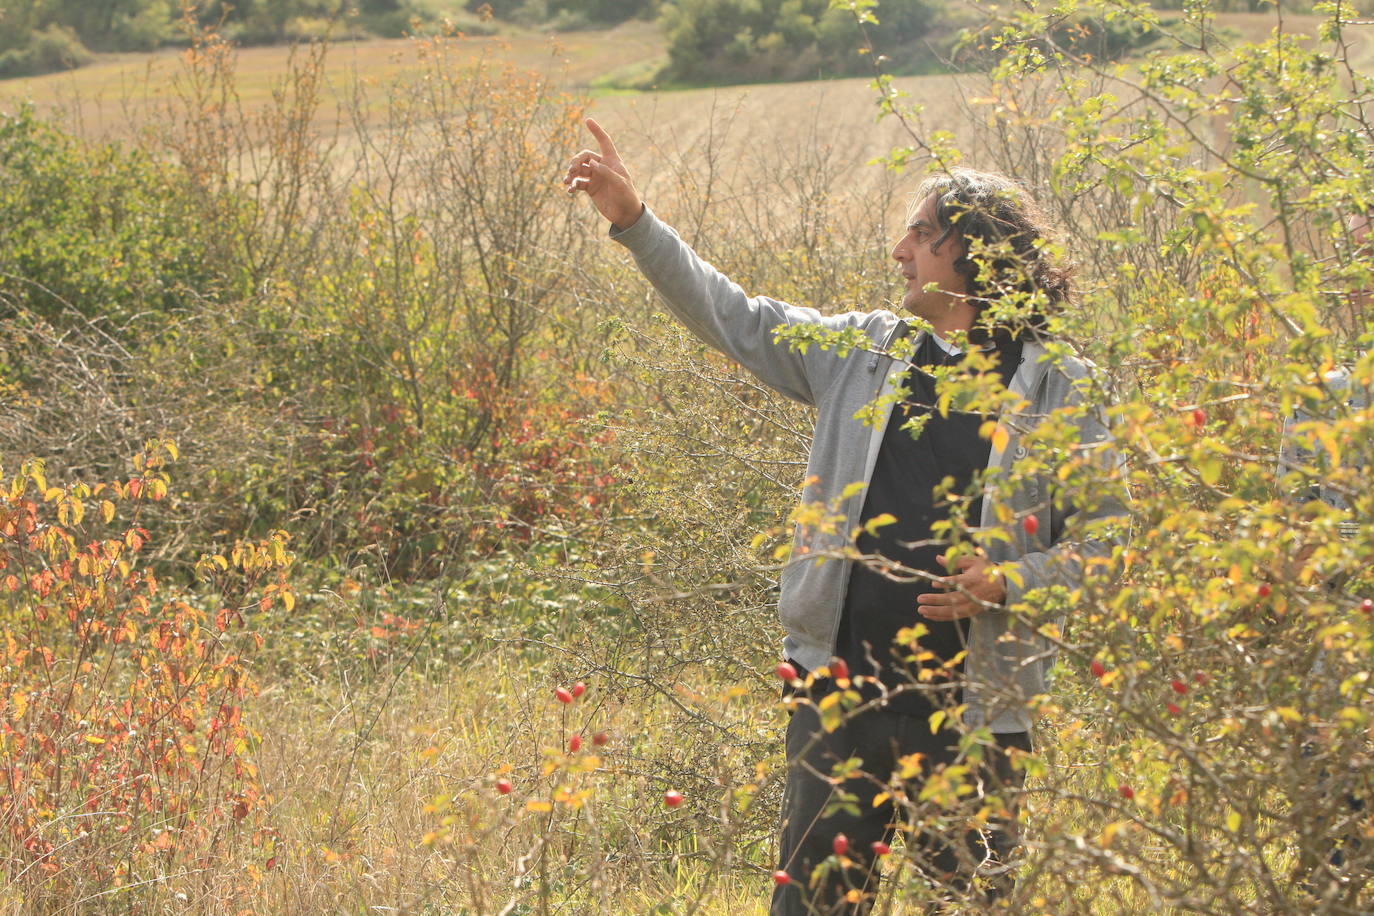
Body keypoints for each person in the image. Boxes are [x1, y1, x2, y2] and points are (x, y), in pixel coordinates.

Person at [565, 119, 1124, 914]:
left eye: (922, 234)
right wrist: (634, 222)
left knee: (967, 906)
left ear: (977, 253)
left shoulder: (1060, 387)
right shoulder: (868, 353)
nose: (900, 251)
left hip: (976, 719)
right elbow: (738, 318)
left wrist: (1008, 580)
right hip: (842, 700)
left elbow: (1108, 540)